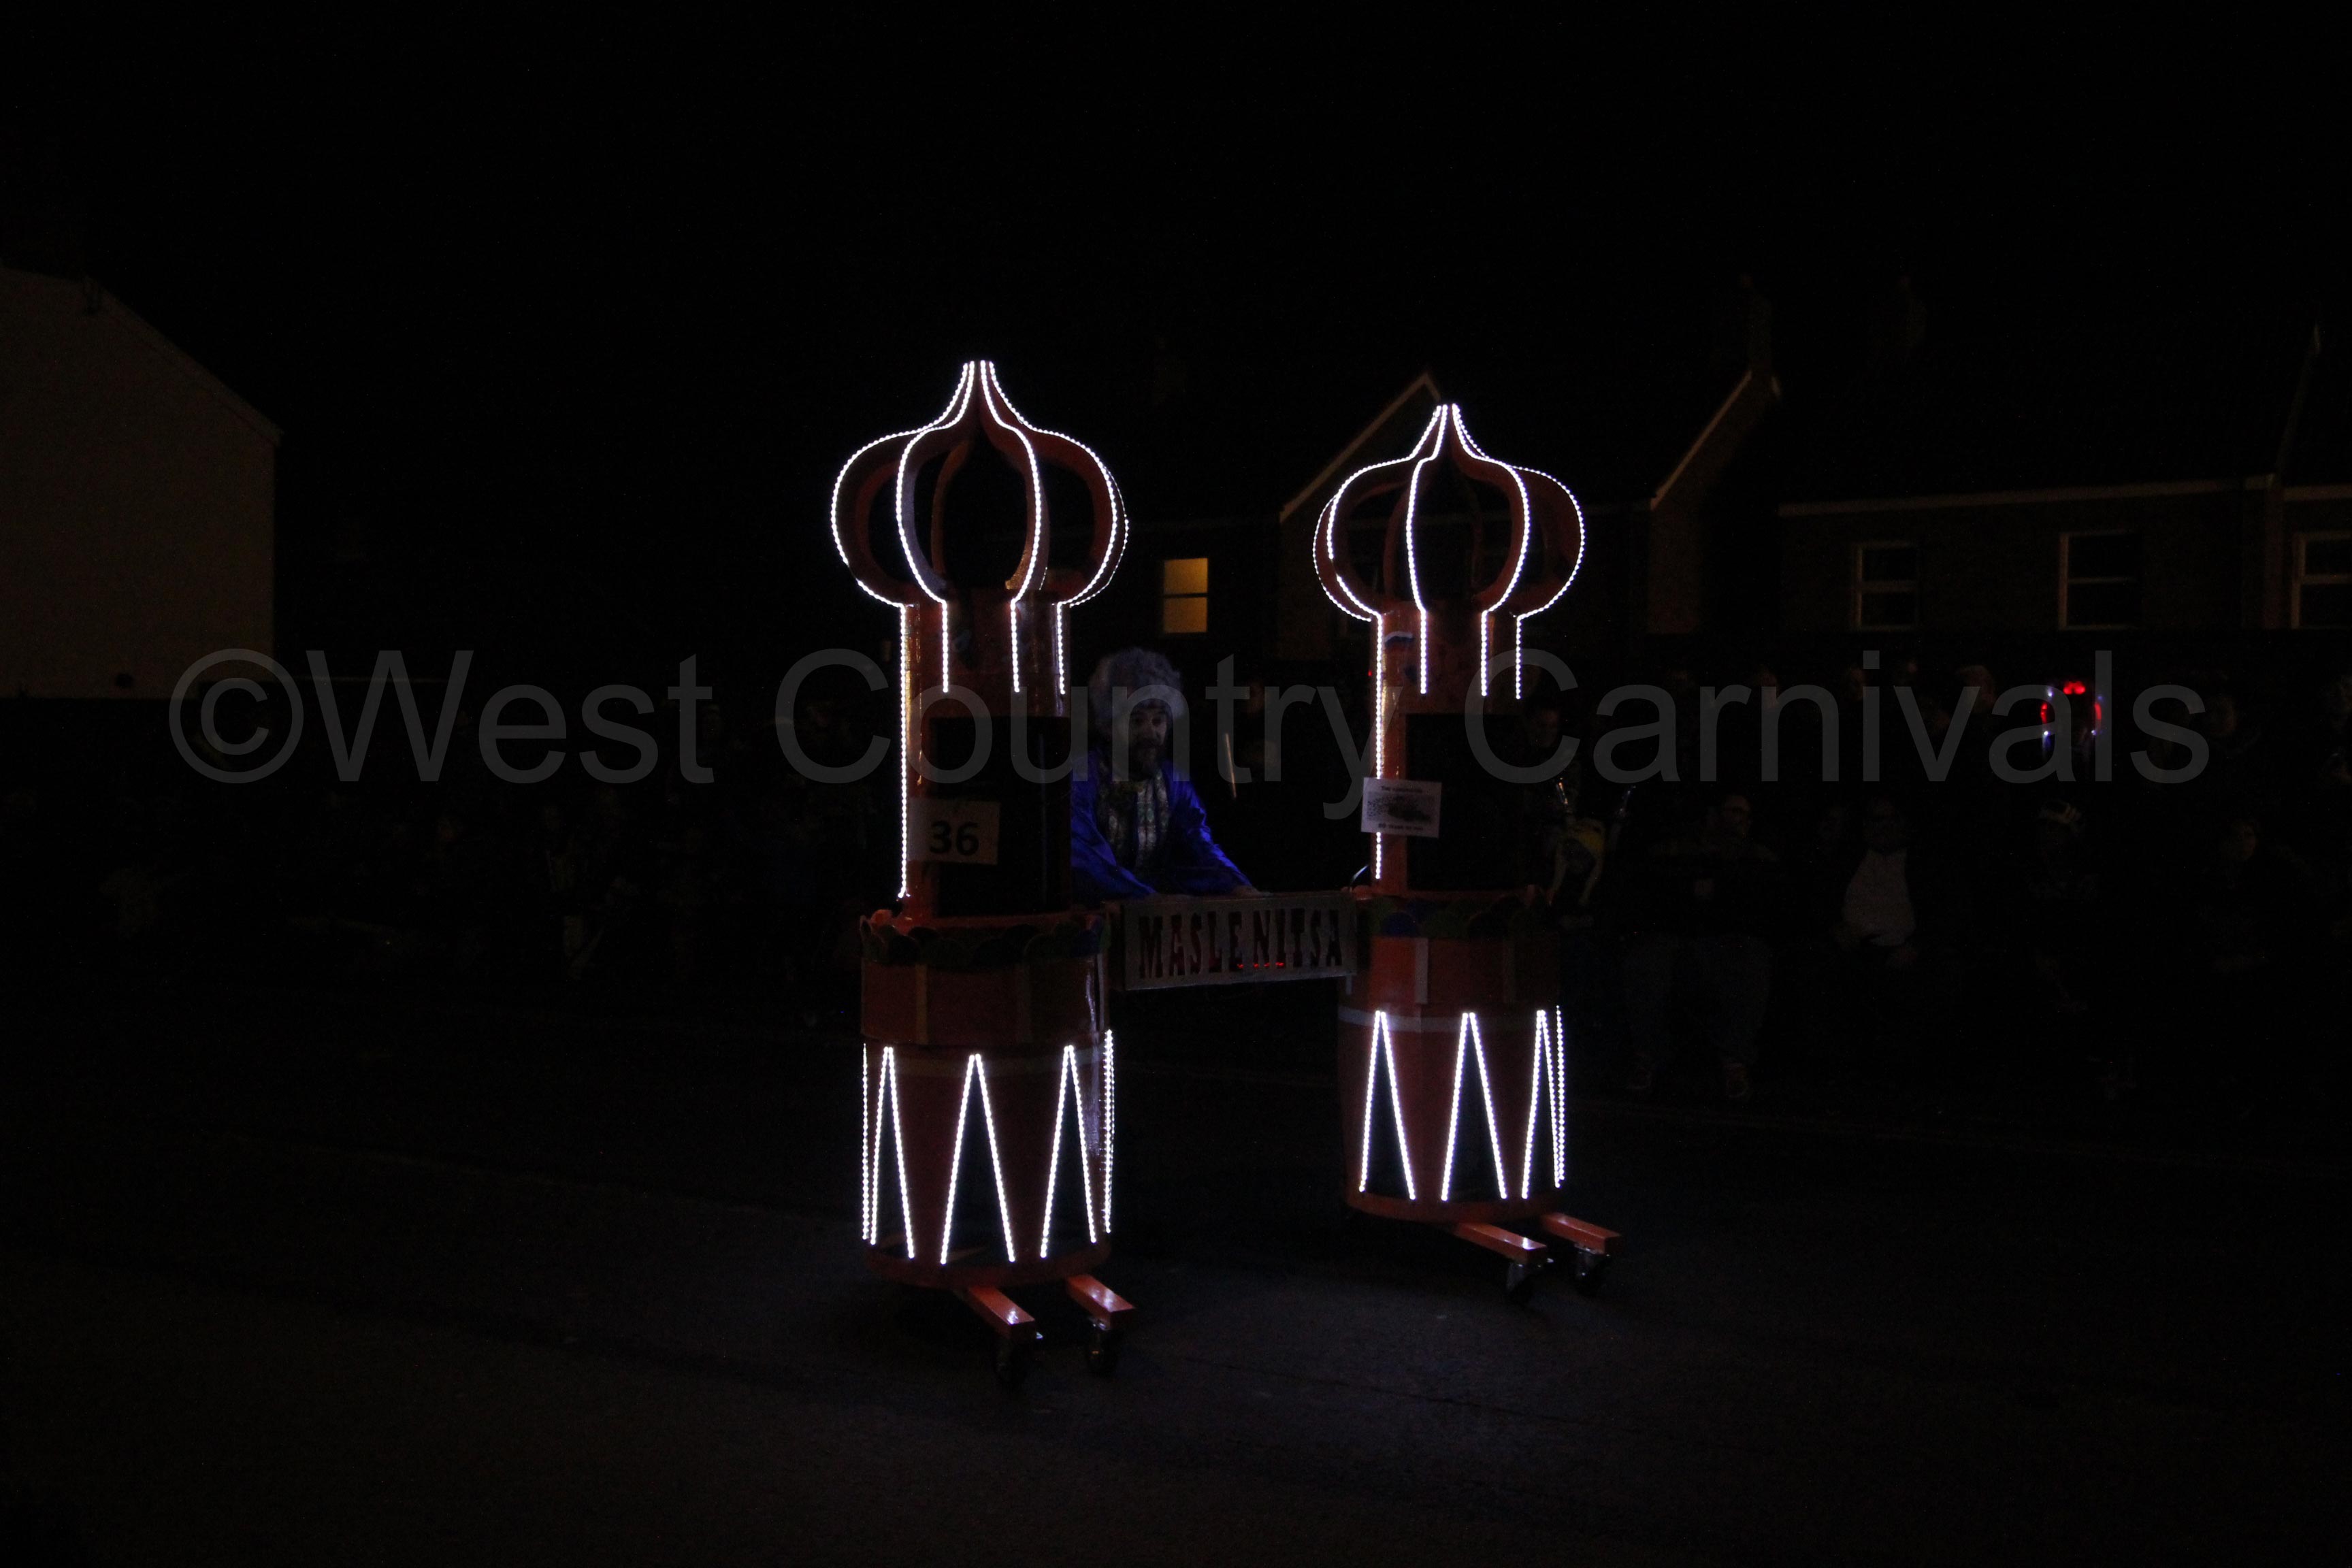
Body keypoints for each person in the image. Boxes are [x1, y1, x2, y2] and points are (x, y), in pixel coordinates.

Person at [1071, 648, 1252, 903]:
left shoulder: (1173, 782)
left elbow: (1198, 844)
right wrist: (1145, 898)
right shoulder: (1082, 778)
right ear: (1108, 725)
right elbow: (1083, 856)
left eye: (1158, 721)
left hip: (1155, 918)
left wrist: (1236, 886)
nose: (1150, 733)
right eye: (1137, 721)